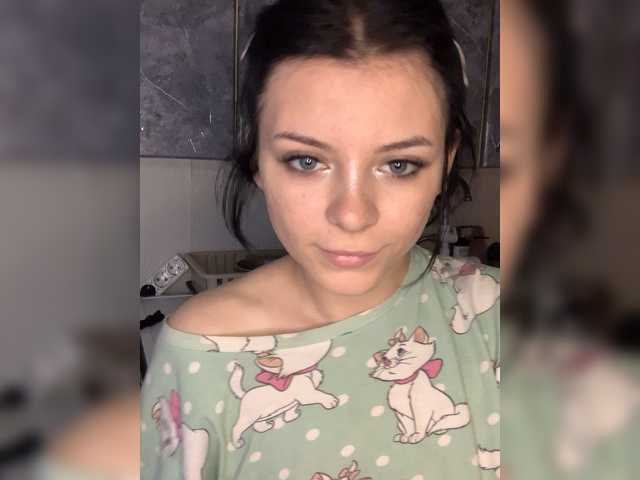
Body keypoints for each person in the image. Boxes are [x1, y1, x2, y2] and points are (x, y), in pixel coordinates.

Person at [140, 1, 499, 479]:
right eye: (306, 161)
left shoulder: (503, 317)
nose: (352, 215)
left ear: (446, 161)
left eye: (399, 165)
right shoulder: (202, 352)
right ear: (257, 157)